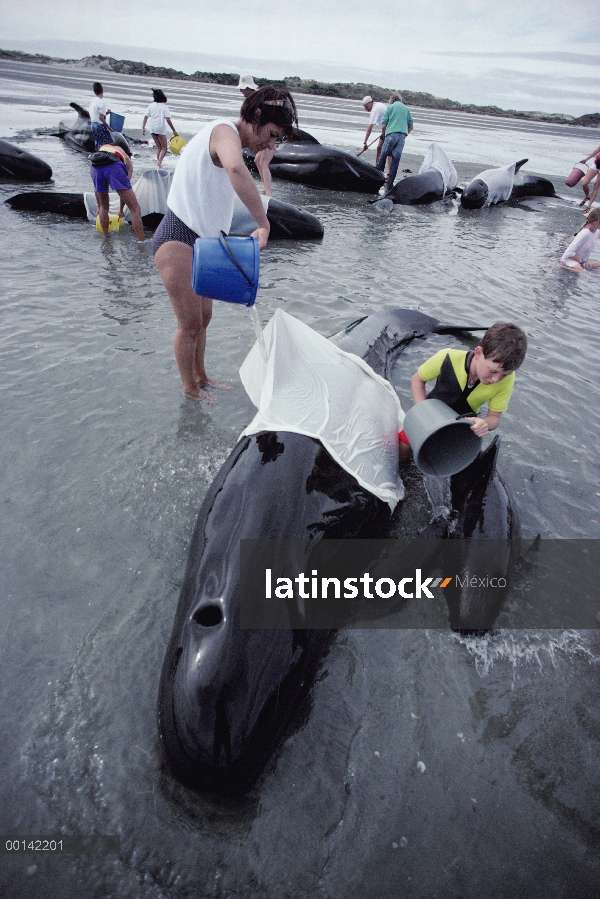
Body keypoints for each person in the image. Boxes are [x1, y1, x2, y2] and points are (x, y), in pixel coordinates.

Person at [152, 86, 298, 401]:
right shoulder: (223, 132)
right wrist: (263, 222)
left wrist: (264, 167)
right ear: (255, 116)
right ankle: (189, 388)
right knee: (189, 324)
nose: (271, 143)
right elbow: (234, 168)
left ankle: (201, 376)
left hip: (204, 243)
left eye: (277, 139)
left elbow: (239, 176)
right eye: (271, 134)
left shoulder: (232, 140)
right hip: (177, 237)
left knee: (204, 318)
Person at [398, 323, 527, 463]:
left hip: (462, 428)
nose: (496, 379)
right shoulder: (448, 357)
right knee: (403, 451)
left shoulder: (507, 381)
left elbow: (494, 417)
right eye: (493, 371)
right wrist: (423, 411)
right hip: (429, 415)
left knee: (455, 465)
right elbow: (418, 380)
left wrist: (484, 423)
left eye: (505, 375)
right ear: (478, 353)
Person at [90, 143, 145, 241]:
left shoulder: (101, 151)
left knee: (104, 206)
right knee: (135, 208)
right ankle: (141, 241)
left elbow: (96, 189)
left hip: (95, 167)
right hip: (114, 167)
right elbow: (125, 188)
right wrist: (121, 210)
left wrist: (99, 206)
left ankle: (106, 238)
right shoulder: (124, 157)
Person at [237, 75, 275, 197]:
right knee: (257, 160)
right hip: (264, 135)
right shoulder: (253, 100)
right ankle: (265, 188)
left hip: (268, 136)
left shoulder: (259, 101)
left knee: (263, 162)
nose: (241, 91)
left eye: (242, 89)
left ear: (248, 88)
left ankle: (268, 193)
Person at [376, 93, 414, 194]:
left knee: (383, 157)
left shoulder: (390, 107)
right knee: (395, 162)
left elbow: (384, 125)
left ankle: (376, 178)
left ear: (391, 100)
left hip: (391, 135)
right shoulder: (406, 109)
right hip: (402, 137)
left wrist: (384, 136)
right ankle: (389, 185)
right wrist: (404, 135)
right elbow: (411, 126)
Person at [142, 89, 179, 168]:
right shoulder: (164, 107)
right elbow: (168, 119)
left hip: (152, 128)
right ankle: (159, 162)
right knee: (164, 148)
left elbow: (146, 117)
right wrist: (174, 130)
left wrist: (143, 127)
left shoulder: (151, 105)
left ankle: (159, 163)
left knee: (159, 147)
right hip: (160, 129)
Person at [559, 207, 600, 273]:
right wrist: (581, 262)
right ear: (593, 221)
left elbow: (586, 249)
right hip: (569, 260)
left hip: (582, 261)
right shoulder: (585, 233)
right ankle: (558, 266)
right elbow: (569, 252)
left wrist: (587, 260)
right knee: (583, 272)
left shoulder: (597, 232)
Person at [361, 95, 388, 165]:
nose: (365, 109)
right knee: (379, 148)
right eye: (364, 107)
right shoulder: (377, 105)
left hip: (390, 130)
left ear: (371, 102)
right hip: (385, 129)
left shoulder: (375, 109)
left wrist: (365, 142)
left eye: (366, 107)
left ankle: (381, 169)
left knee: (385, 150)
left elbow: (370, 128)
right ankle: (377, 167)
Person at [89, 82, 114, 149]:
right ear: (102, 91)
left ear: (94, 92)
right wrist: (109, 127)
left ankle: (98, 156)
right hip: (99, 126)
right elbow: (100, 117)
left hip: (93, 125)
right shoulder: (101, 102)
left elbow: (97, 114)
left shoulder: (93, 100)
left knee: (98, 144)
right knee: (110, 143)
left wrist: (106, 113)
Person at [578, 143, 600, 207]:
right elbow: (598, 149)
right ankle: (587, 196)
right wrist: (586, 159)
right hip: (597, 163)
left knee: (596, 185)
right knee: (584, 183)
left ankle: (589, 205)